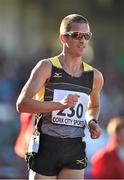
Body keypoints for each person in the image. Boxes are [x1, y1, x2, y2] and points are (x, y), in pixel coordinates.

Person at [16, 14, 104, 180]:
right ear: (64, 38)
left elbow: (94, 106)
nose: (83, 40)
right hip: (46, 146)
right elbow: (22, 104)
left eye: (87, 36)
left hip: (74, 148)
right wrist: (58, 105)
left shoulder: (94, 76)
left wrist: (92, 121)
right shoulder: (46, 67)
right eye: (77, 35)